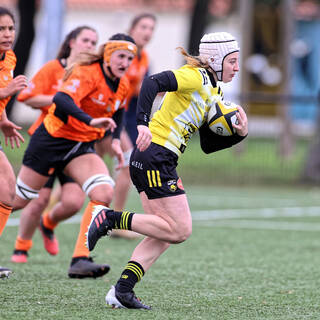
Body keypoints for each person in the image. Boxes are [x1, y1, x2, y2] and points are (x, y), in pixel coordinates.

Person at [86, 32, 248, 309]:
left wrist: (238, 134)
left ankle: (122, 290)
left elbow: (207, 144)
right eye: (232, 61)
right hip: (155, 154)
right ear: (216, 59)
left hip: (161, 158)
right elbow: (153, 82)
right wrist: (142, 123)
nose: (236, 67)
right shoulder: (195, 76)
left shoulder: (213, 90)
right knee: (179, 230)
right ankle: (109, 218)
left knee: (164, 233)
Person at [12, 33, 137, 278]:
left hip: (80, 146)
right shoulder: (89, 72)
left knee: (103, 192)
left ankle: (80, 260)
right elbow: (61, 98)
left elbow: (120, 111)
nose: (125, 62)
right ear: (108, 55)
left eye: (130, 58)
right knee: (18, 200)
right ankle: (22, 243)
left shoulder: (123, 84)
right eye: (121, 56)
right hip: (51, 141)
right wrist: (91, 120)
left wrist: (113, 141)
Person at [94, 13, 156, 239]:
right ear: (132, 28)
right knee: (123, 162)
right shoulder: (120, 53)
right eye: (143, 27)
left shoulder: (144, 58)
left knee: (121, 164)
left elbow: (135, 92)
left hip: (126, 115)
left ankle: (112, 220)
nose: (147, 32)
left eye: (151, 28)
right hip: (107, 113)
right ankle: (113, 221)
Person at [0, 7, 28, 278]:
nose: (7, 34)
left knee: (8, 191)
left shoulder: (9, 58)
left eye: (10, 28)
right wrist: (5, 91)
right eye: (1, 29)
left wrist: (4, 120)